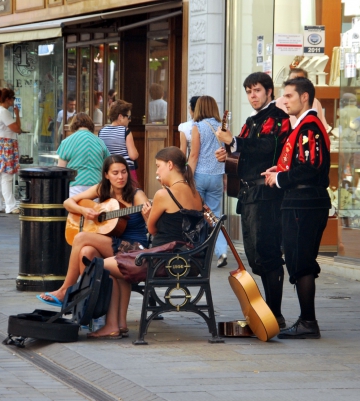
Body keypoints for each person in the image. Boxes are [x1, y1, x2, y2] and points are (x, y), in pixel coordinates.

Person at [84, 146, 203, 339]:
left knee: (101, 265)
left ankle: (111, 324)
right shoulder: (196, 194)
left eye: (158, 166)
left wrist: (148, 216)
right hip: (189, 261)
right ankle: (117, 324)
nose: (156, 171)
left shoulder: (164, 195)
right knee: (117, 262)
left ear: (170, 165)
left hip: (162, 261)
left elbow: (152, 230)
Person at [37, 155, 149, 337]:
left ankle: (65, 289)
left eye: (123, 172)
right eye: (115, 173)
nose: (120, 177)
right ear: (106, 175)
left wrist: (147, 214)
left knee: (81, 238)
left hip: (134, 247)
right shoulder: (101, 190)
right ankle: (98, 314)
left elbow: (152, 225)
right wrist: (84, 211)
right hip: (112, 243)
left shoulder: (137, 195)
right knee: (87, 251)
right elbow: (68, 202)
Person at [214, 72, 291, 329]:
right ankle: (266, 312)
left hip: (267, 196)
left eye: (256, 90)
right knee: (255, 255)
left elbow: (267, 147)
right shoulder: (251, 120)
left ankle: (275, 314)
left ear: (269, 91)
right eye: (248, 91)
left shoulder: (278, 118)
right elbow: (245, 151)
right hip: (248, 195)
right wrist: (229, 155)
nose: (252, 96)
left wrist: (234, 141)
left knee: (267, 253)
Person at [263, 77, 331, 339]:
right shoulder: (304, 125)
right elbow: (301, 162)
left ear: (305, 98)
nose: (284, 101)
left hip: (305, 203)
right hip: (301, 201)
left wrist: (279, 178)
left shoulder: (309, 126)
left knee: (300, 261)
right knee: (297, 259)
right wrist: (279, 170)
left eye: (289, 96)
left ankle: (308, 321)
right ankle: (306, 320)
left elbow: (309, 166)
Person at [187, 96, 228, 267]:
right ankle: (222, 251)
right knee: (214, 216)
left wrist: (188, 176)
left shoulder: (198, 127)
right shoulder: (222, 127)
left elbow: (194, 155)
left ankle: (197, 252)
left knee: (196, 215)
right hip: (217, 176)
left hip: (200, 177)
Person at [56, 113, 110, 197]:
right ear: (91, 125)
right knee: (95, 210)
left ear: (73, 124)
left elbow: (61, 170)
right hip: (96, 186)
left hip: (75, 186)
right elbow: (108, 165)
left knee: (74, 210)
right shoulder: (100, 142)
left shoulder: (66, 142)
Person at [0, 88, 22, 214]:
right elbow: (17, 129)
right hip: (5, 145)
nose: (13, 100)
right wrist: (17, 115)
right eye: (13, 98)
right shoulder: (4, 112)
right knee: (7, 176)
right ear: (8, 99)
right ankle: (11, 205)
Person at [98, 100, 139, 182]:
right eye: (128, 117)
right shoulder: (125, 131)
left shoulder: (101, 131)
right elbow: (133, 156)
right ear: (120, 116)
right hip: (126, 170)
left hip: (110, 170)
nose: (130, 120)